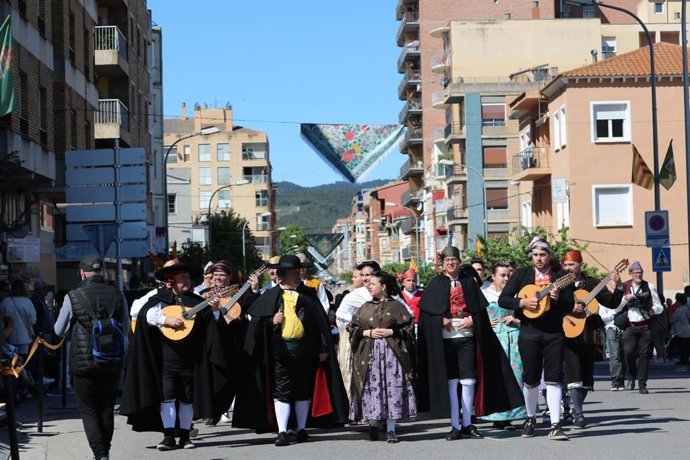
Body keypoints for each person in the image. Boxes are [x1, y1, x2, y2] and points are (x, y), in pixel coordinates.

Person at [233, 255, 348, 446]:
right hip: (280, 352)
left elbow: (320, 326)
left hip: (306, 350)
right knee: (282, 391)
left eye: (299, 272)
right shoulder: (269, 296)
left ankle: (302, 429)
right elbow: (257, 326)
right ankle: (282, 431)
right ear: (282, 275)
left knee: (303, 391)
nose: (298, 275)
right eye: (294, 273)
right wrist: (271, 321)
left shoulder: (309, 294)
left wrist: (323, 347)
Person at [119, 259, 233, 451]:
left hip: (191, 358)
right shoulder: (159, 299)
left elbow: (210, 326)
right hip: (165, 358)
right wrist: (166, 319)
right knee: (168, 396)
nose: (186, 281)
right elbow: (143, 313)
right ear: (171, 280)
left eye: (188, 277)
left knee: (187, 397)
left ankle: (185, 435)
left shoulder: (198, 301)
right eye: (182, 278)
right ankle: (168, 435)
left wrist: (214, 311)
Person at [417, 246, 523, 441]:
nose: (450, 263)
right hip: (446, 340)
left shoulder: (468, 283)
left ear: (459, 262)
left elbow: (481, 312)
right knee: (452, 382)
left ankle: (467, 423)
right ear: (442, 263)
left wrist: (473, 320)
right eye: (447, 260)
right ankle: (455, 425)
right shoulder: (435, 284)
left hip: (467, 337)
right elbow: (426, 315)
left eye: (454, 260)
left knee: (468, 380)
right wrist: (441, 319)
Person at [498, 237, 575, 441]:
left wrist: (559, 299)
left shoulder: (561, 276)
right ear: (531, 256)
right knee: (530, 379)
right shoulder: (523, 274)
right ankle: (530, 418)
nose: (539, 259)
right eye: (535, 255)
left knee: (554, 377)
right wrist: (522, 302)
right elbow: (503, 298)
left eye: (542, 255)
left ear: (549, 255)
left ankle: (556, 425)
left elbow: (570, 305)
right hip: (529, 332)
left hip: (554, 333)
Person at [53, 254, 128, 460]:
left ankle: (100, 454)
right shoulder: (118, 294)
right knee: (106, 407)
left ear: (82, 272)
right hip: (112, 359)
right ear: (101, 271)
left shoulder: (73, 296)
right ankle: (104, 451)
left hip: (82, 361)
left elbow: (59, 330)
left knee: (88, 411)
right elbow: (127, 328)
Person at [348, 271, 416, 443]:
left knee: (392, 388)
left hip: (392, 354)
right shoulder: (365, 307)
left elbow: (409, 328)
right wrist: (367, 332)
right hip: (369, 354)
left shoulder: (396, 306)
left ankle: (391, 429)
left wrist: (391, 331)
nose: (369, 286)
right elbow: (352, 328)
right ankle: (372, 423)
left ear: (383, 286)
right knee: (372, 387)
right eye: (368, 283)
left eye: (373, 283)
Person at [561, 250, 622, 429]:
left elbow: (611, 302)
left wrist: (617, 285)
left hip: (588, 334)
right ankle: (579, 415)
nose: (568, 268)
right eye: (565, 265)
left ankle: (574, 408)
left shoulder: (593, 283)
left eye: (571, 265)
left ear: (581, 264)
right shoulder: (560, 284)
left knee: (587, 378)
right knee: (573, 374)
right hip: (566, 332)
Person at [480, 261, 526, 430]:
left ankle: (509, 417)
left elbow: (529, 317)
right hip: (493, 339)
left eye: (508, 275)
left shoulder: (515, 295)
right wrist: (484, 322)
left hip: (513, 338)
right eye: (502, 275)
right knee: (495, 377)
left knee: (515, 376)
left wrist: (516, 320)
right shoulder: (484, 294)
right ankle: (495, 415)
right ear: (493, 276)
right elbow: (474, 316)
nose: (506, 278)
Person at [615, 261, 664, 394]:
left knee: (644, 356)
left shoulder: (649, 286)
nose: (638, 275)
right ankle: (632, 374)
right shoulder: (624, 287)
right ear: (630, 274)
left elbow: (659, 306)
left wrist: (653, 310)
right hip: (630, 326)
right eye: (635, 273)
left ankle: (642, 384)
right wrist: (625, 299)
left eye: (640, 273)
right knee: (628, 353)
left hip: (645, 326)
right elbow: (617, 308)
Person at [335, 261, 380, 398]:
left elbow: (403, 310)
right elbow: (341, 314)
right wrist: (361, 324)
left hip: (381, 341)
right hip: (360, 341)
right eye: (363, 275)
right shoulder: (355, 295)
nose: (366, 278)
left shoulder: (385, 290)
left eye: (369, 275)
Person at [599, 301, 627, 391]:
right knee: (615, 355)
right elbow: (603, 317)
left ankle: (622, 380)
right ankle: (615, 381)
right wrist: (615, 313)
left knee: (625, 355)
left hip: (625, 329)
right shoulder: (604, 302)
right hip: (611, 329)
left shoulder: (624, 300)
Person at [668, 293, 690, 371]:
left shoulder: (679, 310)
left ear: (679, 302)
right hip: (687, 331)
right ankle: (685, 362)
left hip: (680, 332)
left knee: (682, 350)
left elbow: (671, 320)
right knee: (686, 350)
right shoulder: (687, 309)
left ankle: (683, 365)